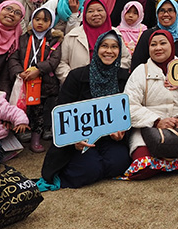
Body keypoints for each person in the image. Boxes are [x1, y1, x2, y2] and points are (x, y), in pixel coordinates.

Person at [40, 31, 132, 188]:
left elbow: (128, 111)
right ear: (96, 49)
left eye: (114, 47)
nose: (109, 51)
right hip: (79, 140)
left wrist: (121, 132)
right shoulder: (77, 76)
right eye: (104, 46)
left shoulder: (124, 77)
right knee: (89, 169)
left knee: (119, 163)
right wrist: (73, 140)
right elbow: (62, 112)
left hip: (109, 138)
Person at [123, 30, 178, 179]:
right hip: (146, 127)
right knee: (143, 168)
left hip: (177, 129)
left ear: (172, 45)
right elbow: (130, 105)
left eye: (163, 43)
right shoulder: (140, 71)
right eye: (153, 45)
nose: (158, 48)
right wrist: (157, 121)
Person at [8, 6, 63, 152]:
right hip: (25, 81)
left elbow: (54, 60)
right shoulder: (23, 38)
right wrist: (19, 72)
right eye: (37, 19)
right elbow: (13, 57)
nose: (40, 23)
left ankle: (36, 139)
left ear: (51, 23)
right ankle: (23, 131)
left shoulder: (54, 40)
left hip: (44, 83)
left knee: (40, 111)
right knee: (24, 108)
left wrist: (38, 70)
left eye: (45, 20)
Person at [57, 0, 110, 82]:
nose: (96, 14)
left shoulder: (116, 35)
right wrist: (72, 81)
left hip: (109, 87)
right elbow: (61, 63)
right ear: (84, 14)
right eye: (90, 11)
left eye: (100, 10)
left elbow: (125, 59)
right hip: (79, 87)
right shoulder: (72, 35)